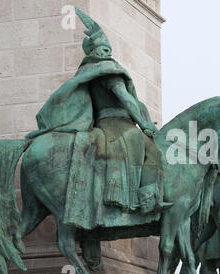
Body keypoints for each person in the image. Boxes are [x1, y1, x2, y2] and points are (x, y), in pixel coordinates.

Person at [26, 8, 171, 217]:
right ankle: (147, 199)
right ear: (104, 50)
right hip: (119, 126)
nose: (107, 54)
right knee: (154, 151)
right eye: (106, 50)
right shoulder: (109, 70)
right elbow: (126, 99)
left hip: (100, 125)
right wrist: (144, 123)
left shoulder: (87, 72)